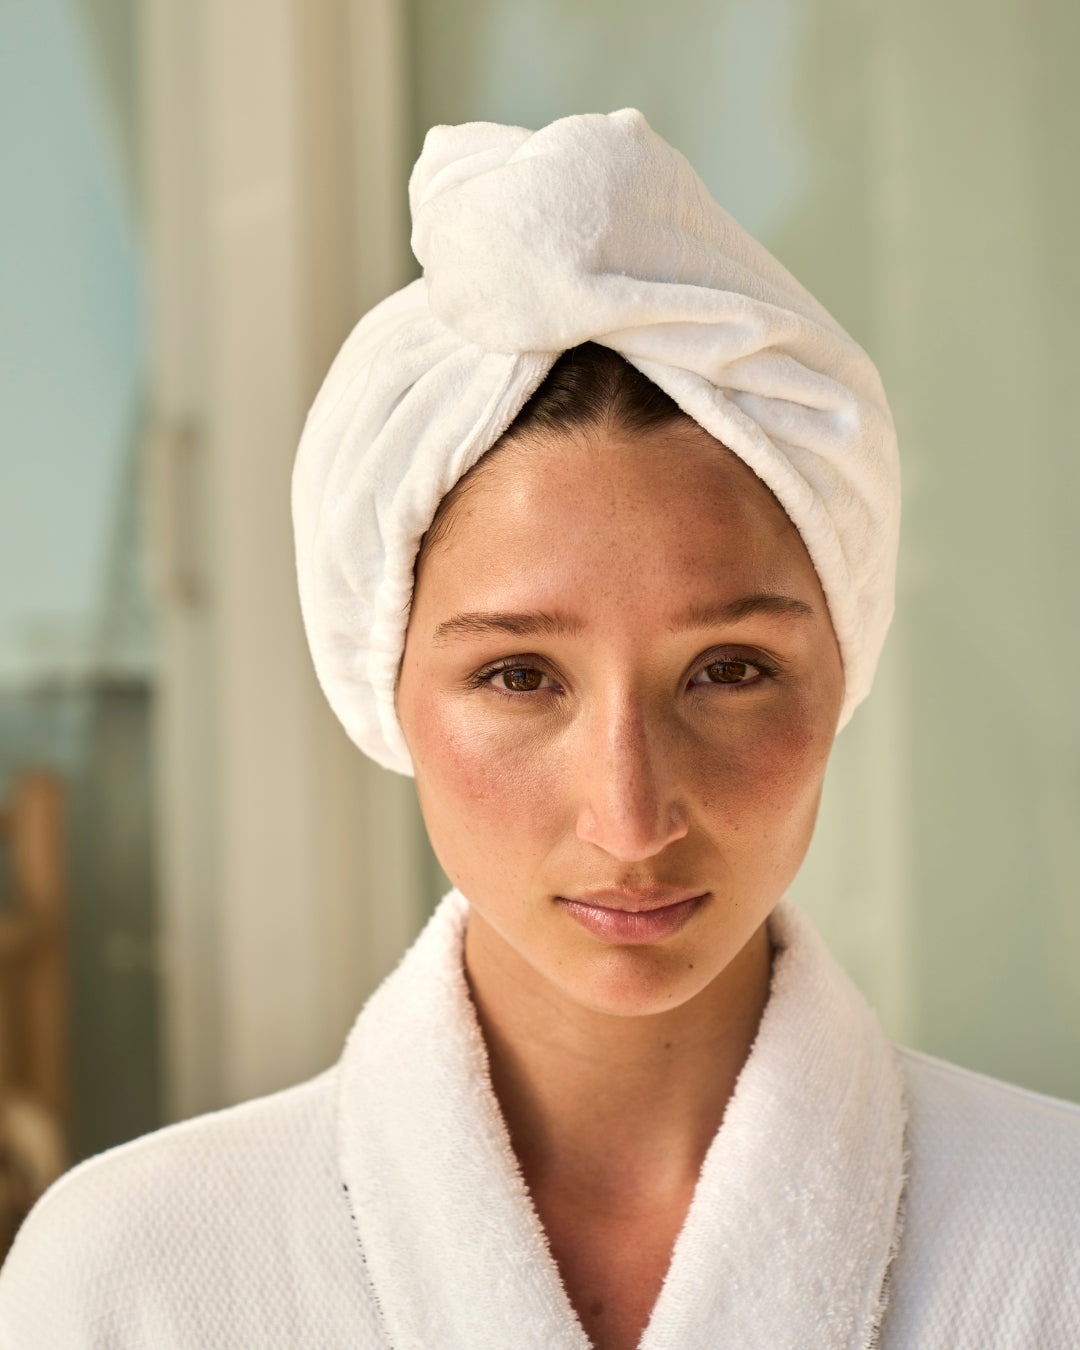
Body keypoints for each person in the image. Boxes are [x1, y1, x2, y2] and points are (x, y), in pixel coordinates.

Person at [1, 109, 1078, 1350]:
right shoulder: (133, 1282)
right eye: (520, 677)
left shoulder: (1056, 1247)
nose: (630, 813)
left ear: (844, 669)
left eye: (728, 669)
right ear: (379, 679)